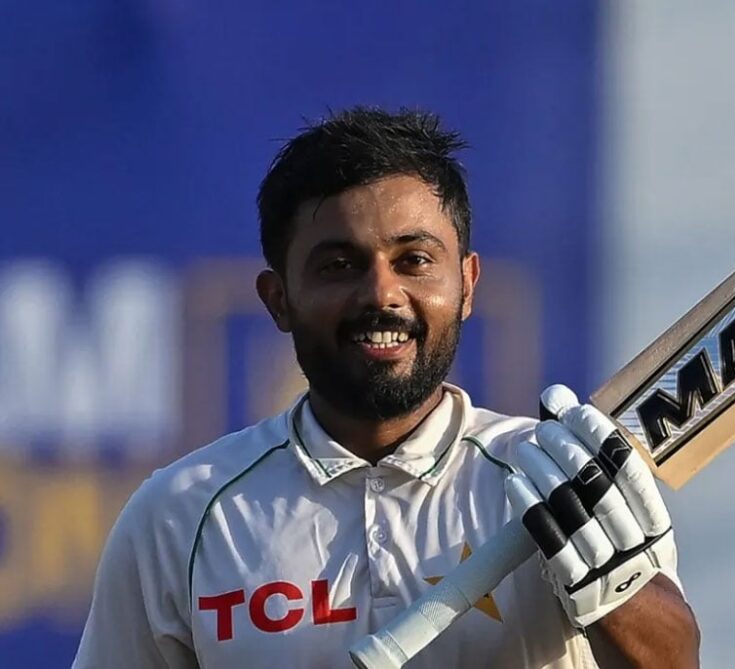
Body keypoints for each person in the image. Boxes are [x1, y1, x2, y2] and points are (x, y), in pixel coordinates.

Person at [73, 107, 700, 668]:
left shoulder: (563, 480)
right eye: (338, 265)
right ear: (278, 299)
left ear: (467, 283)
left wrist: (624, 598)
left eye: (414, 260)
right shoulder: (180, 517)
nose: (381, 295)